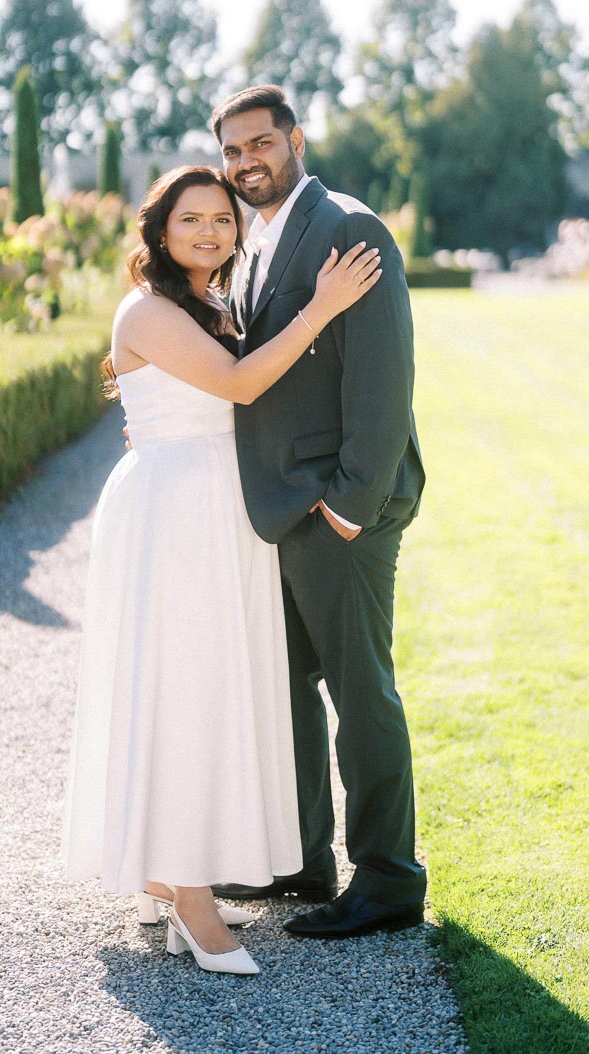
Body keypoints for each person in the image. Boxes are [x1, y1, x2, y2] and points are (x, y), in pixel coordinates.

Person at [62, 165, 381, 976]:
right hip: (173, 515)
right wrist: (324, 306)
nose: (210, 231)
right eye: (191, 218)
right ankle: (190, 901)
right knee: (179, 688)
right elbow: (239, 382)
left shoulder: (208, 303)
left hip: (214, 509)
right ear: (160, 231)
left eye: (222, 219)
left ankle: (172, 874)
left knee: (205, 688)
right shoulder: (148, 308)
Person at [211, 85, 427, 939]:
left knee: (358, 691)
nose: (245, 163)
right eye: (231, 151)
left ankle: (388, 878)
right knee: (292, 688)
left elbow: (384, 377)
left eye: (260, 144)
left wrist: (349, 506)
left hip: (342, 511)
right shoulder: (257, 240)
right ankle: (306, 859)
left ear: (295, 139)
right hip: (288, 512)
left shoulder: (347, 226)